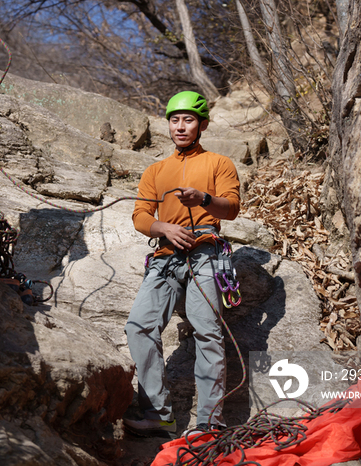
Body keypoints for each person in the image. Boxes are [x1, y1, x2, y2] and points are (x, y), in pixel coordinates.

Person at [123, 91, 240, 437]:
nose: (181, 126)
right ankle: (159, 414)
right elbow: (141, 216)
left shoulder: (218, 163)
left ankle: (209, 422)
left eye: (188, 120)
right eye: (175, 120)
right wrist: (164, 228)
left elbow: (231, 208)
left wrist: (203, 198)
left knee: (207, 332)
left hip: (205, 252)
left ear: (201, 124)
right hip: (164, 256)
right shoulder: (156, 170)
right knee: (138, 326)